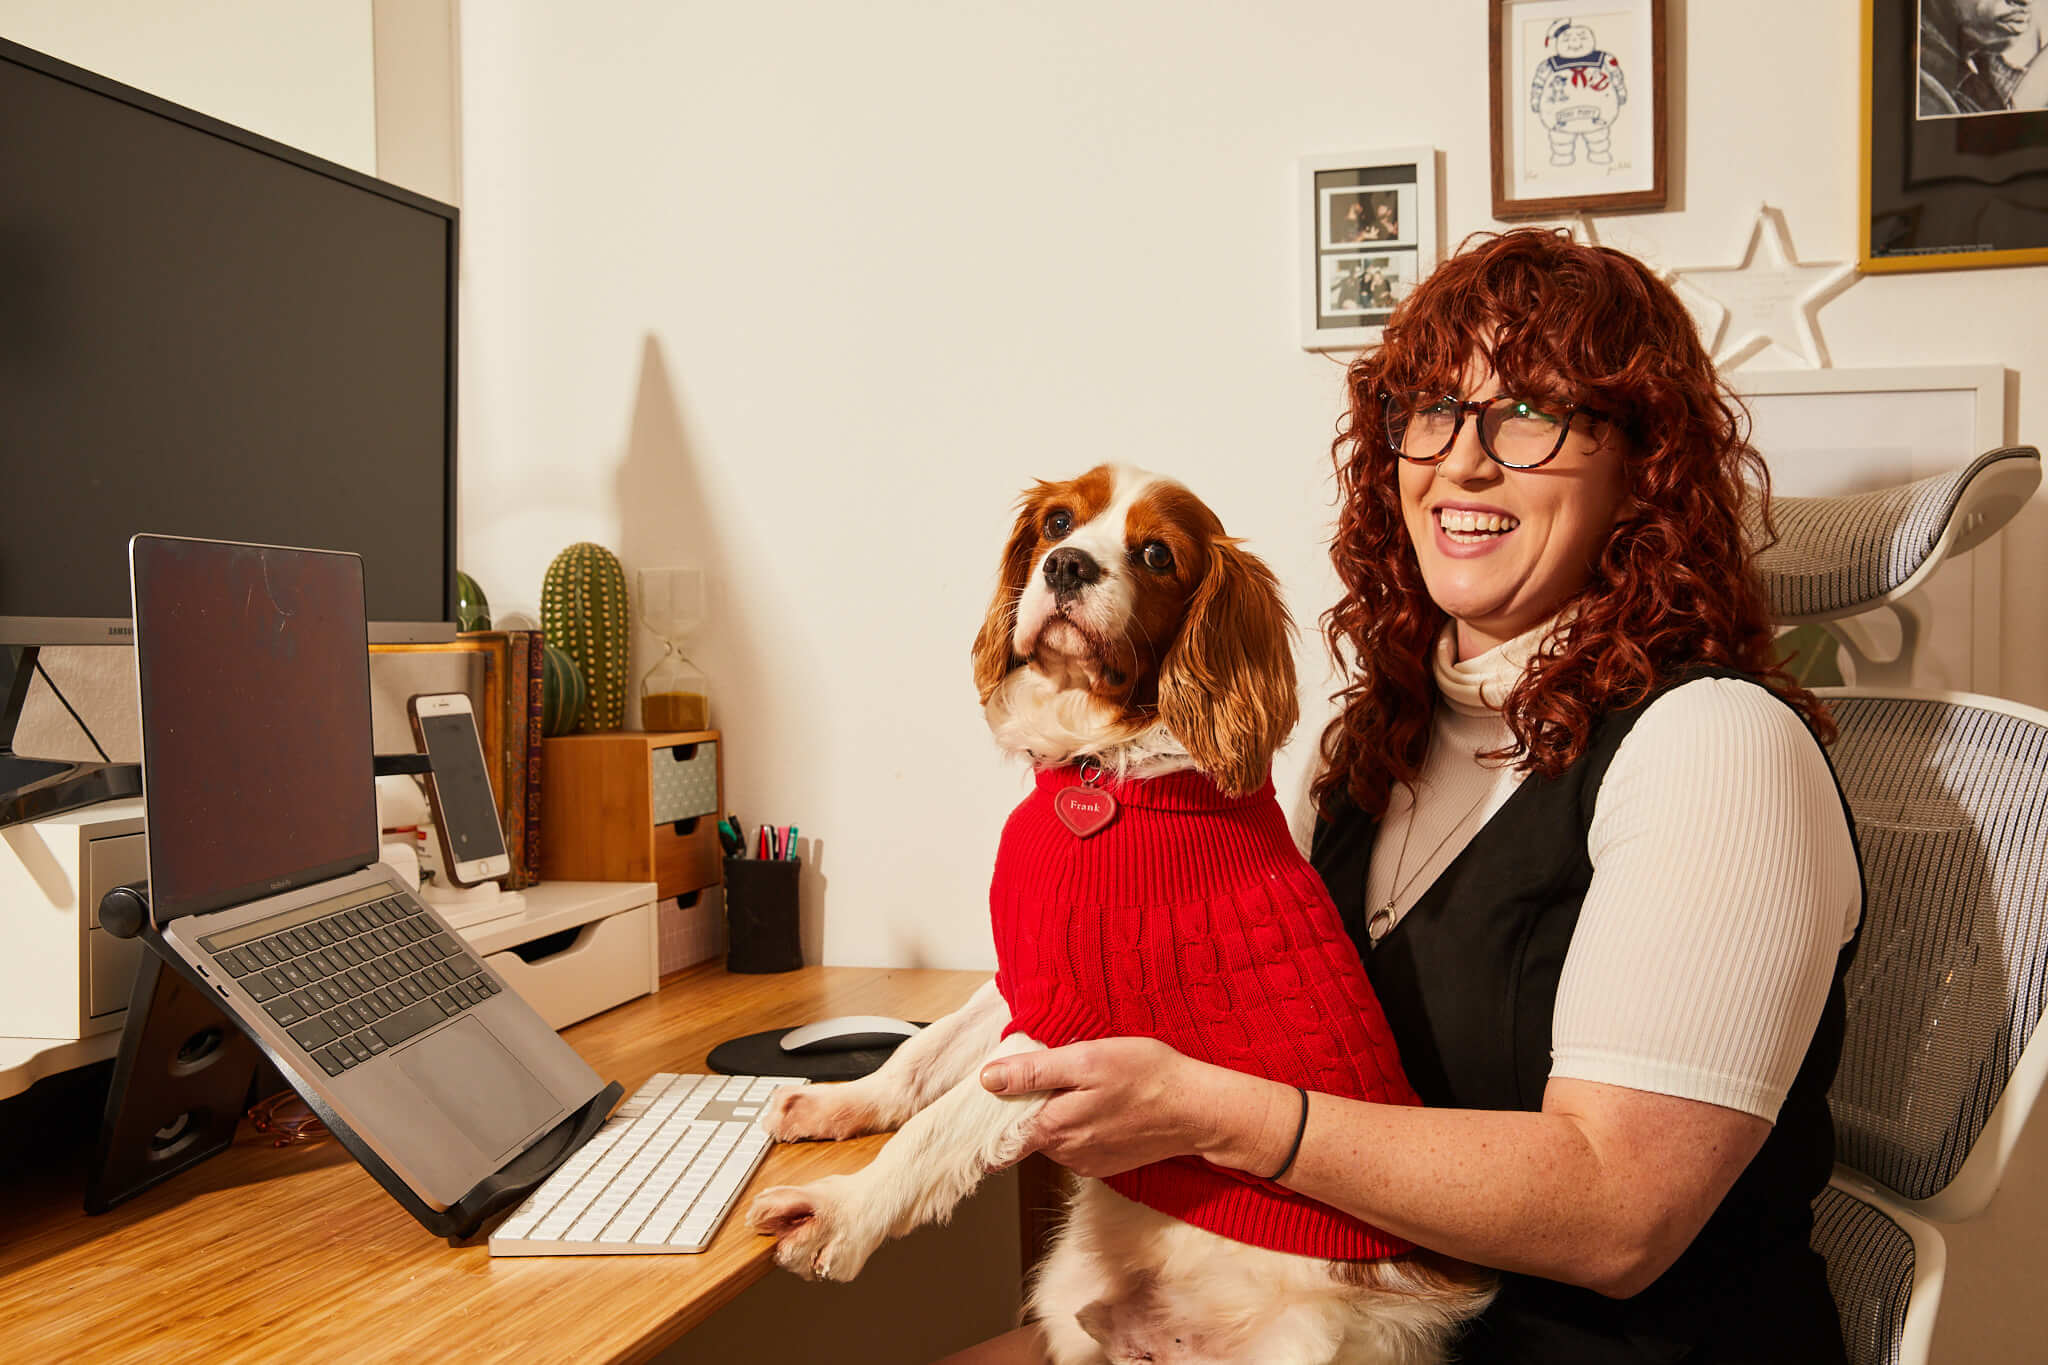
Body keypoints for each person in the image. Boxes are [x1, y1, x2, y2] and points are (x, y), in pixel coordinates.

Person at [939, 229, 1863, 1364]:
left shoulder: (1716, 750)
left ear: (1643, 467)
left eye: (1528, 411)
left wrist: (1214, 1118)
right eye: (1429, 410)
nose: (1462, 463)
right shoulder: (1377, 742)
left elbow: (1618, 1216)